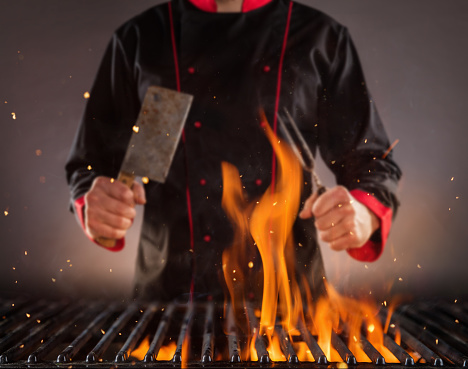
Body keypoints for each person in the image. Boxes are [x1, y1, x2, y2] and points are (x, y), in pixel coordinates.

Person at [65, 0, 401, 302]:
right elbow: (91, 165)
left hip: (290, 302)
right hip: (168, 299)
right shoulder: (140, 39)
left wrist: (362, 212)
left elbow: (371, 165)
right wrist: (96, 205)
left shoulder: (321, 37)